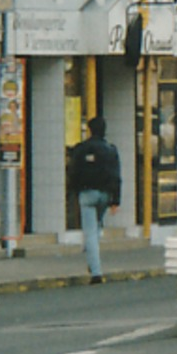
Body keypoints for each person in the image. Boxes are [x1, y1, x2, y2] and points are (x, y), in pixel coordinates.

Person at [67, 116, 122, 284]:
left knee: (90, 231)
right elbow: (116, 176)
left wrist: (73, 191)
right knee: (96, 226)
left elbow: (73, 172)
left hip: (86, 194)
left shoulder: (81, 149)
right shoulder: (111, 150)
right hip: (105, 195)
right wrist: (115, 200)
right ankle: (92, 254)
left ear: (89, 130)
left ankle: (96, 272)